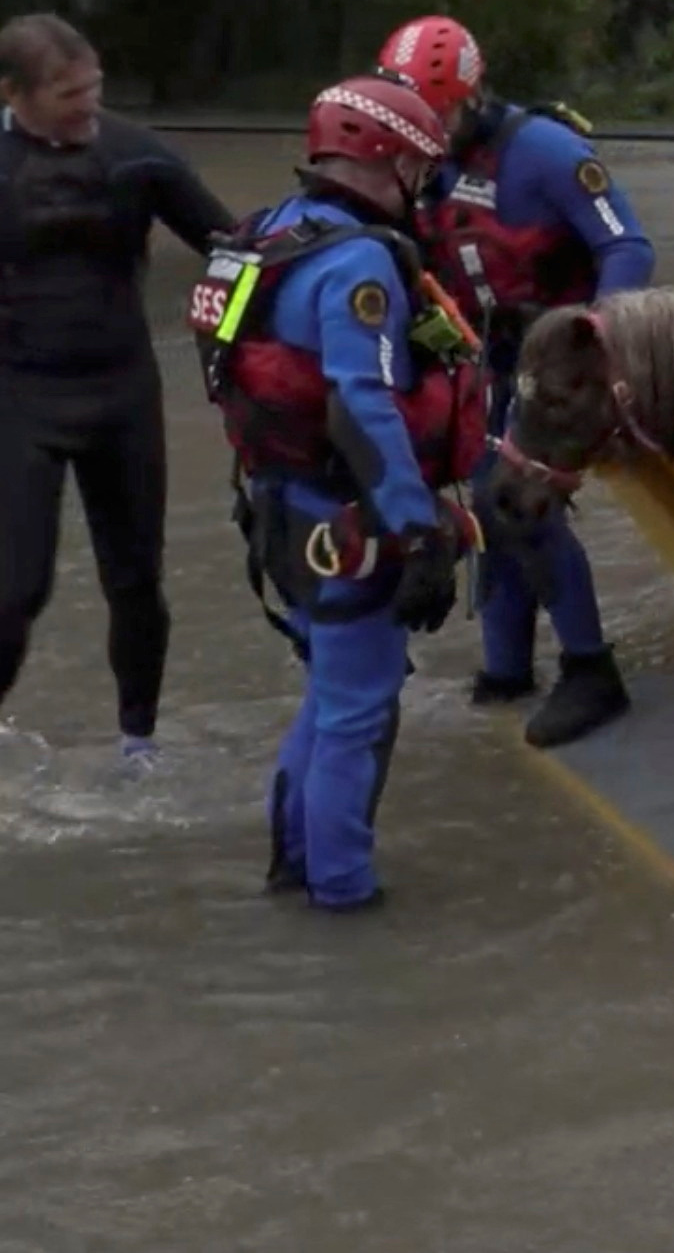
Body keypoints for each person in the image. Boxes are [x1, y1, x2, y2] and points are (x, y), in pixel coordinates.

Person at [0, 14, 237, 770]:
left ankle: (138, 742)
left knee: (138, 582)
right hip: (15, 402)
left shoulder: (138, 157)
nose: (88, 104)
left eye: (93, 86)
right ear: (12, 93)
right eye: (67, 94)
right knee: (19, 587)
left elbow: (235, 252)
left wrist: (261, 343)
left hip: (122, 393)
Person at [191, 74, 483, 913]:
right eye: (420, 168)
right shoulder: (359, 263)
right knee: (357, 713)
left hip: (277, 509)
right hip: (346, 519)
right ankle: (343, 895)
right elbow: (363, 403)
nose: (425, 188)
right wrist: (418, 531)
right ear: (388, 160)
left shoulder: (268, 235)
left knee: (327, 698)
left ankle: (294, 866)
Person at [373, 15, 651, 748]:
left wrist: (588, 339)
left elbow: (628, 247)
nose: (422, 132)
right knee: (490, 510)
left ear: (470, 95)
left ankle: (592, 670)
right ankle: (507, 669)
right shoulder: (412, 165)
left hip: (561, 368)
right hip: (482, 364)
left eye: (436, 115)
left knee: (519, 504)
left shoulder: (546, 153)